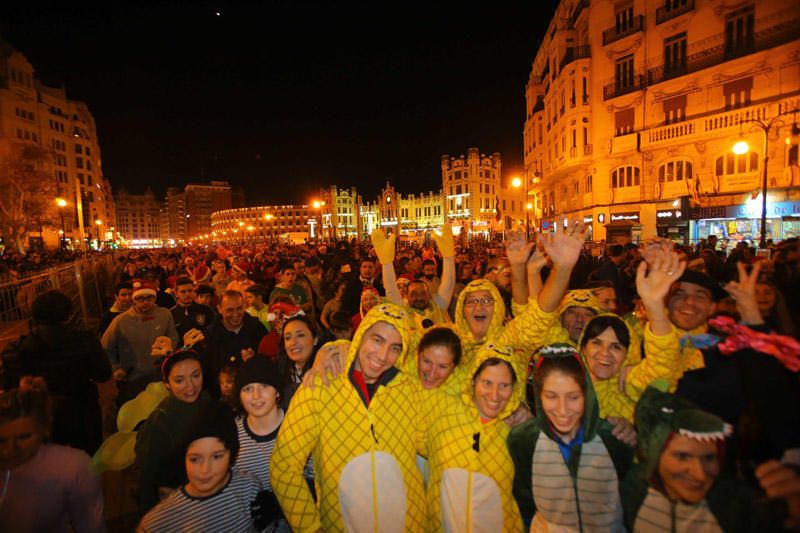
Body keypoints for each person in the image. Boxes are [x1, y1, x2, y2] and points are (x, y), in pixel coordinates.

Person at [270, 303, 427, 532]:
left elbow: (432, 442)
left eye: (395, 347)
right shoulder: (321, 383)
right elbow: (284, 466)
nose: (383, 356)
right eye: (377, 340)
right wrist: (310, 527)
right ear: (361, 335)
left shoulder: (409, 388)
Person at [621, 385, 800, 531]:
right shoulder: (633, 489)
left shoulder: (734, 507)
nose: (700, 475)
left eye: (709, 458)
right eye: (682, 456)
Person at [509, 344, 635, 531]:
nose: (562, 409)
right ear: (538, 395)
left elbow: (632, 500)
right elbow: (524, 500)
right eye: (551, 396)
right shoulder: (525, 441)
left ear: (587, 395)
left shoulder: (613, 438)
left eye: (573, 397)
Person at [421, 344, 526, 531]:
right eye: (487, 383)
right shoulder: (441, 410)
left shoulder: (518, 432)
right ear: (472, 381)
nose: (494, 395)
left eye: (504, 385)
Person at [0, 290, 111, 454]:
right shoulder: (85, 342)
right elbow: (103, 374)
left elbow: (8, 388)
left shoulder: (14, 350)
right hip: (81, 415)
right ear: (68, 316)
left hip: (36, 421)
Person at [137, 402, 269, 533]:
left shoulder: (250, 488)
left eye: (217, 457)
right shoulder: (158, 522)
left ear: (232, 456)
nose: (205, 470)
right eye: (195, 459)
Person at [0, 382, 106, 533]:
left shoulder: (71, 468)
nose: (8, 450)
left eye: (24, 437)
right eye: (1, 440)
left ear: (45, 429)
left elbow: (91, 527)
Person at [135, 349, 213, 514]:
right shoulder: (158, 423)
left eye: (196, 376)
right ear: (167, 384)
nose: (190, 386)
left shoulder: (206, 401)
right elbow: (147, 480)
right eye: (179, 380)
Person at [234, 356, 300, 532]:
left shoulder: (298, 427)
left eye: (264, 386)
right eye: (248, 389)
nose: (256, 396)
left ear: (277, 392)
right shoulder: (232, 436)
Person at [102, 279, 179, 404]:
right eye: (140, 298)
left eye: (149, 298)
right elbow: (105, 347)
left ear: (155, 298)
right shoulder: (121, 321)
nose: (145, 302)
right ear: (134, 300)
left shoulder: (165, 315)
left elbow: (173, 337)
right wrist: (115, 368)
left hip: (159, 376)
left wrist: (168, 353)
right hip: (132, 379)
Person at [199, 290, 267, 397]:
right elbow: (204, 372)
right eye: (230, 310)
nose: (236, 314)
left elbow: (268, 363)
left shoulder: (256, 328)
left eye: (239, 308)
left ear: (245, 305)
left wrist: (255, 360)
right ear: (220, 309)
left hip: (254, 395)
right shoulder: (208, 336)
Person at [275, 314, 319, 410]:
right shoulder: (277, 371)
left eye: (300, 335)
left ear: (315, 339)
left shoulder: (326, 369)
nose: (293, 343)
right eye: (288, 338)